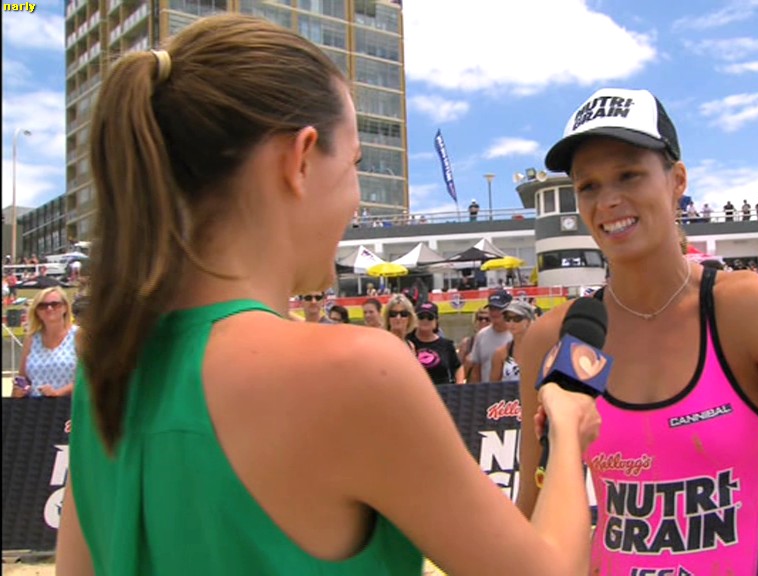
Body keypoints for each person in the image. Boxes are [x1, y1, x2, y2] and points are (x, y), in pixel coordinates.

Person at [56, 15, 598, 576]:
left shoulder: (108, 369)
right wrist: (567, 426)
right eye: (355, 162)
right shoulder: (353, 369)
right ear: (301, 159)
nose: (356, 198)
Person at [516, 87, 758, 575]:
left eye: (629, 175)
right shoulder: (556, 338)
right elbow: (530, 512)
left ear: (677, 180)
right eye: (588, 185)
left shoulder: (750, 311)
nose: (608, 200)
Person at [14, 287, 79, 398]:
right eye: (42, 306)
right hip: (36, 406)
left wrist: (58, 393)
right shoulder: (31, 338)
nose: (49, 308)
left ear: (65, 307)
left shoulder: (79, 335)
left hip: (70, 405)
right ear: (36, 311)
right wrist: (19, 389)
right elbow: (23, 378)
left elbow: (88, 378)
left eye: (55, 304)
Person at [408, 301, 463, 385]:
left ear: (436, 321)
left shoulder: (446, 345)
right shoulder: (407, 342)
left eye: (430, 317)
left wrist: (459, 384)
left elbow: (457, 367)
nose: (425, 320)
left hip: (442, 390)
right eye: (421, 317)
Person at [466, 290, 513, 383]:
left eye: (498, 309)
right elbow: (476, 370)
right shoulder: (481, 335)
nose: (494, 313)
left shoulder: (517, 334)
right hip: (488, 389)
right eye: (492, 309)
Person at [489, 300, 535, 382]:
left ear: (528, 321)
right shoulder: (501, 353)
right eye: (508, 318)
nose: (511, 322)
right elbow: (493, 385)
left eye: (517, 319)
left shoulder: (542, 350)